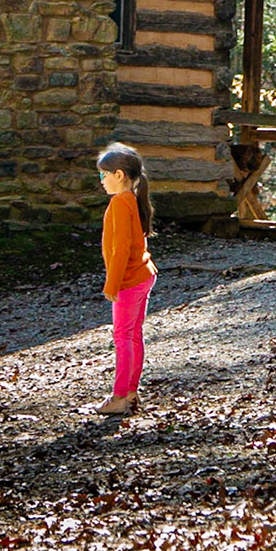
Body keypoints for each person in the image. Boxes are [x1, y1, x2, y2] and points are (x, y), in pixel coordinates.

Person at [95, 142, 157, 416]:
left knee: (123, 336)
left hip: (130, 280)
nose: (102, 181)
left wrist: (112, 283)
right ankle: (130, 391)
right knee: (133, 334)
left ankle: (120, 395)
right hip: (144, 275)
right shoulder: (131, 199)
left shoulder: (120, 202)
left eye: (103, 175)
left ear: (119, 175)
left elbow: (120, 248)